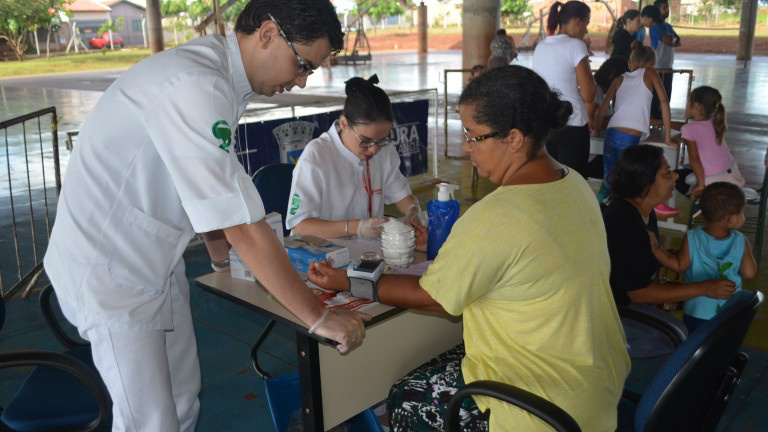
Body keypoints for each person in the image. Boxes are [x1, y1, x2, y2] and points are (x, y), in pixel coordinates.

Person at [42, 1, 370, 430]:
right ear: (269, 34)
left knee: (182, 398)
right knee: (149, 422)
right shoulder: (196, 85)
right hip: (110, 270)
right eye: (303, 65)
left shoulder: (220, 78)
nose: (300, 80)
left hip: (154, 257)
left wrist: (221, 263)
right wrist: (319, 317)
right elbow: (242, 225)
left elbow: (208, 189)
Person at [308, 65, 630, 432]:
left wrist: (348, 280)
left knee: (405, 396)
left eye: (473, 136)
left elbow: (433, 296)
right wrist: (461, 243)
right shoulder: (575, 184)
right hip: (594, 384)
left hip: (540, 409)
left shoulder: (498, 214)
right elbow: (526, 252)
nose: (465, 148)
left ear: (513, 138)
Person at [285, 74, 423, 239]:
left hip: (368, 253)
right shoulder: (316, 156)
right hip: (323, 253)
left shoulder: (384, 151)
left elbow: (402, 196)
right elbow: (300, 226)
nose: (373, 149)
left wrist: (412, 211)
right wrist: (356, 227)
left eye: (382, 140)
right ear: (344, 123)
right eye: (365, 141)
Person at [603, 145, 736, 312]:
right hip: (614, 311)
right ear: (645, 183)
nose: (675, 175)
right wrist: (704, 288)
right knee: (679, 333)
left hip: (624, 301)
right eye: (667, 173)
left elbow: (642, 256)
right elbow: (639, 293)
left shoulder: (644, 210)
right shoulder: (624, 222)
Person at [649, 182, 757, 333]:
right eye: (742, 212)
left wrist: (656, 249)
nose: (743, 216)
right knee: (724, 346)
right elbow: (749, 273)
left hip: (697, 309)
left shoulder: (692, 237)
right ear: (731, 219)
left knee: (696, 348)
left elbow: (678, 266)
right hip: (730, 310)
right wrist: (745, 251)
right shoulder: (741, 240)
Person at [594, 41, 671, 202]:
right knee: (628, 178)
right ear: (652, 63)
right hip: (629, 137)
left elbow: (601, 110)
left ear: (630, 63)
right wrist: (668, 137)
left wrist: (596, 129)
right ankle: (623, 209)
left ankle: (602, 208)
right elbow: (664, 103)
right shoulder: (650, 72)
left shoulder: (619, 79)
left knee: (609, 176)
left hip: (611, 132)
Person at [533, 1, 595, 177]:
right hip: (573, 124)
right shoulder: (576, 46)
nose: (586, 30)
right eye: (586, 23)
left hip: (547, 125)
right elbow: (589, 94)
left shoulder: (541, 46)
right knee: (574, 182)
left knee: (551, 180)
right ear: (577, 21)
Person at [682, 86, 745, 197]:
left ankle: (699, 205)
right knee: (687, 174)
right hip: (734, 176)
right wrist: (664, 122)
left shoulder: (688, 130)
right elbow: (690, 128)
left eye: (688, 103)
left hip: (716, 182)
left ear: (696, 105)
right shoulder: (714, 122)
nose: (686, 106)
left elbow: (694, 160)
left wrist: (700, 186)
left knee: (678, 179)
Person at [649, 0, 680, 120]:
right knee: (657, 96)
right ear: (658, 11)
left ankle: (662, 118)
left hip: (668, 66)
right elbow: (669, 40)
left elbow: (679, 41)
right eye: (664, 8)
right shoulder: (655, 27)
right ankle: (655, 118)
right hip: (658, 67)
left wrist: (671, 40)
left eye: (667, 7)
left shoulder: (668, 27)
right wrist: (672, 40)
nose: (667, 10)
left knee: (667, 94)